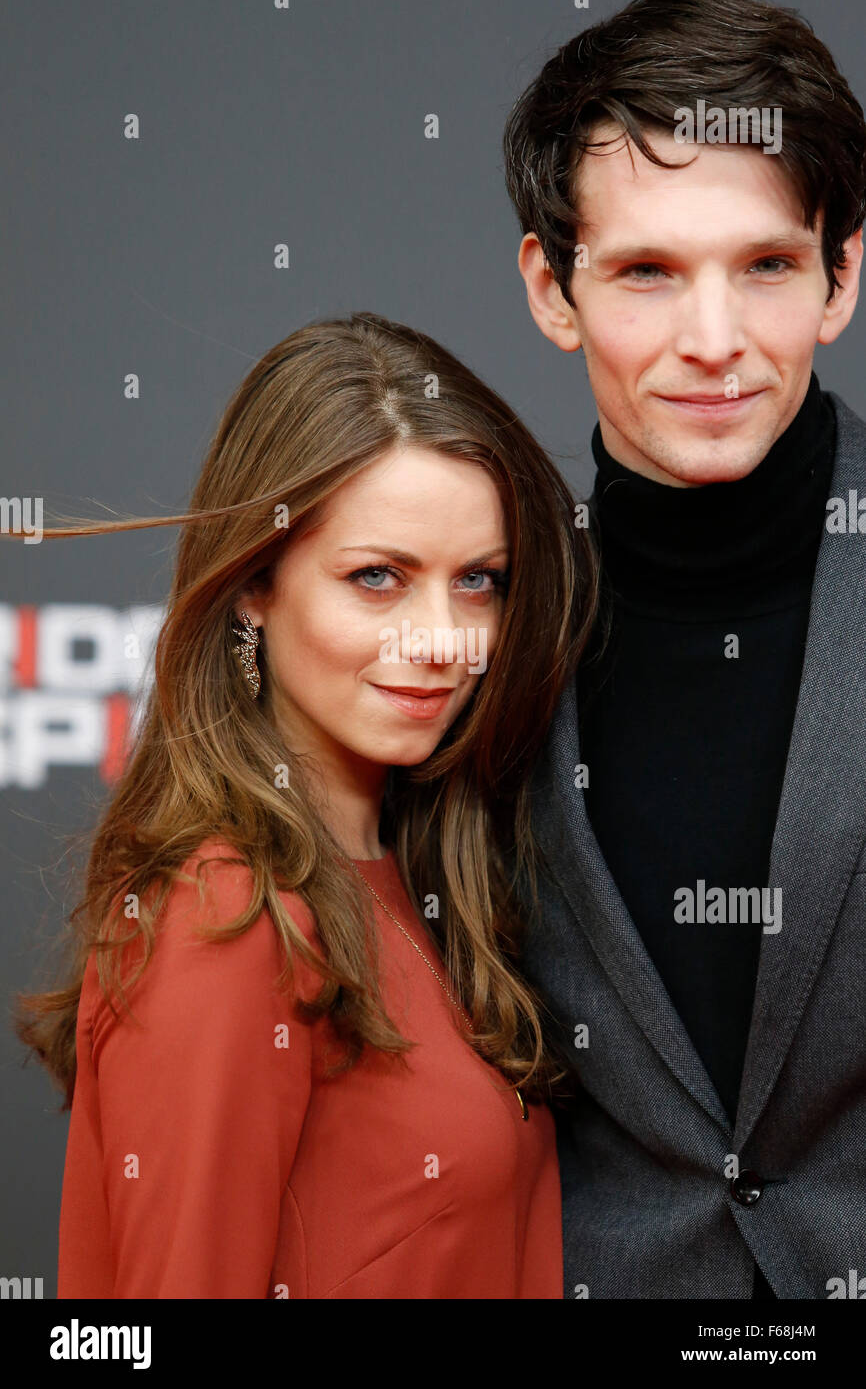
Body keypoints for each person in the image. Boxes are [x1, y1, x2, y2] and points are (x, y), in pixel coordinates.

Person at [12, 311, 598, 1298]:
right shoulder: (229, 917)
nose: (442, 640)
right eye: (377, 578)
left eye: (477, 582)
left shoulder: (426, 884)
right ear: (253, 585)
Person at [502, 0, 866, 1299]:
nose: (710, 342)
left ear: (840, 275)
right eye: (647, 272)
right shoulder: (478, 621)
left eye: (763, 265)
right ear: (553, 289)